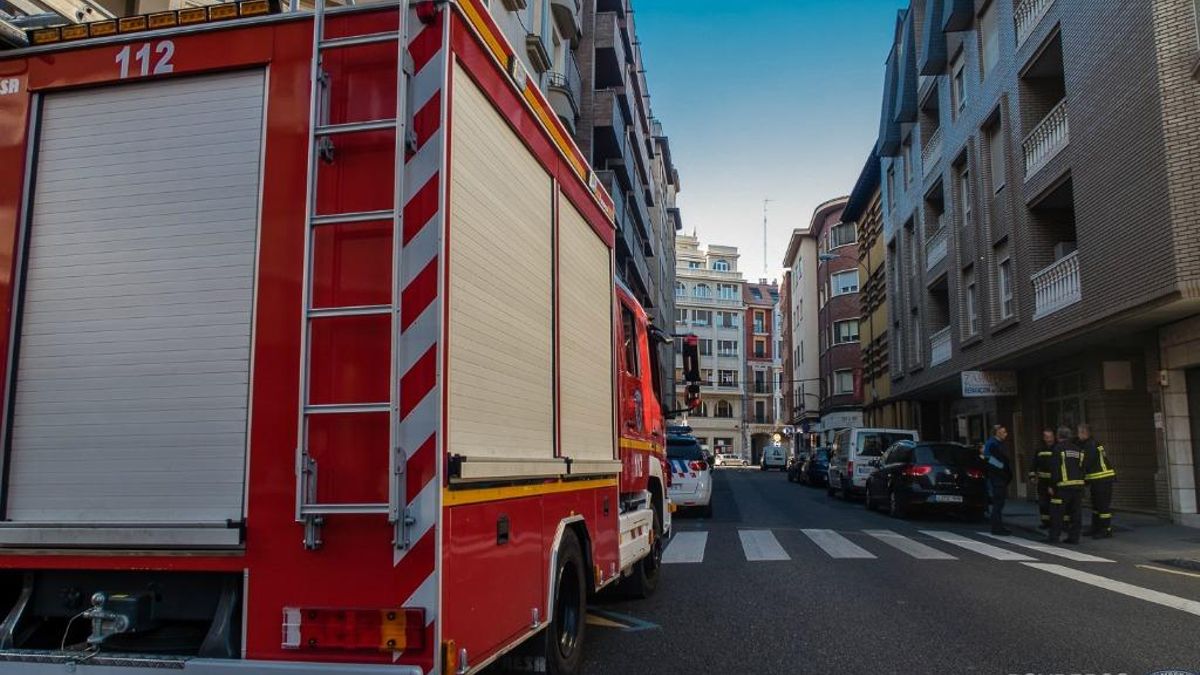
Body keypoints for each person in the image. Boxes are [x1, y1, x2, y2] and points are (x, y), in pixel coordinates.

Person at [1047, 426, 1085, 544]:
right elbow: (1083, 468)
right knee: (1076, 513)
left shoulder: (1058, 449)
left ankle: (1054, 537)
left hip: (1062, 487)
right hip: (1078, 486)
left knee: (1057, 513)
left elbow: (1055, 469)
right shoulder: (1078, 450)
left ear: (1058, 436)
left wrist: (1052, 485)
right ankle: (1074, 538)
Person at [1078, 423, 1116, 538]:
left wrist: (1079, 477)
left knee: (1102, 506)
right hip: (1097, 480)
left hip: (1102, 479)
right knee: (1095, 506)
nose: (1078, 435)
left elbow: (1085, 463)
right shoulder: (1091, 443)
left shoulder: (1090, 445)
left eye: (1079, 432)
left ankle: (1106, 530)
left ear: (1084, 433)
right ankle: (1096, 527)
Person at [982, 425, 1013, 535]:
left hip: (997, 478)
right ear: (997, 433)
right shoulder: (993, 445)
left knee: (999, 504)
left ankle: (998, 527)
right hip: (997, 479)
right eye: (1003, 432)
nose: (1006, 434)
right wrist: (1005, 473)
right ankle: (997, 528)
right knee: (998, 504)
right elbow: (997, 462)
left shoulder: (993, 444)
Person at [1029, 428, 1056, 530]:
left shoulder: (1057, 448)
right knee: (1043, 503)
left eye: (1051, 437)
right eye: (1047, 437)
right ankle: (1046, 522)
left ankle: (1057, 522)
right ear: (1044, 438)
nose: (1049, 439)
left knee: (1055, 503)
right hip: (1043, 482)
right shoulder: (1040, 449)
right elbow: (1034, 464)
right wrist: (1032, 476)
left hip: (1054, 481)